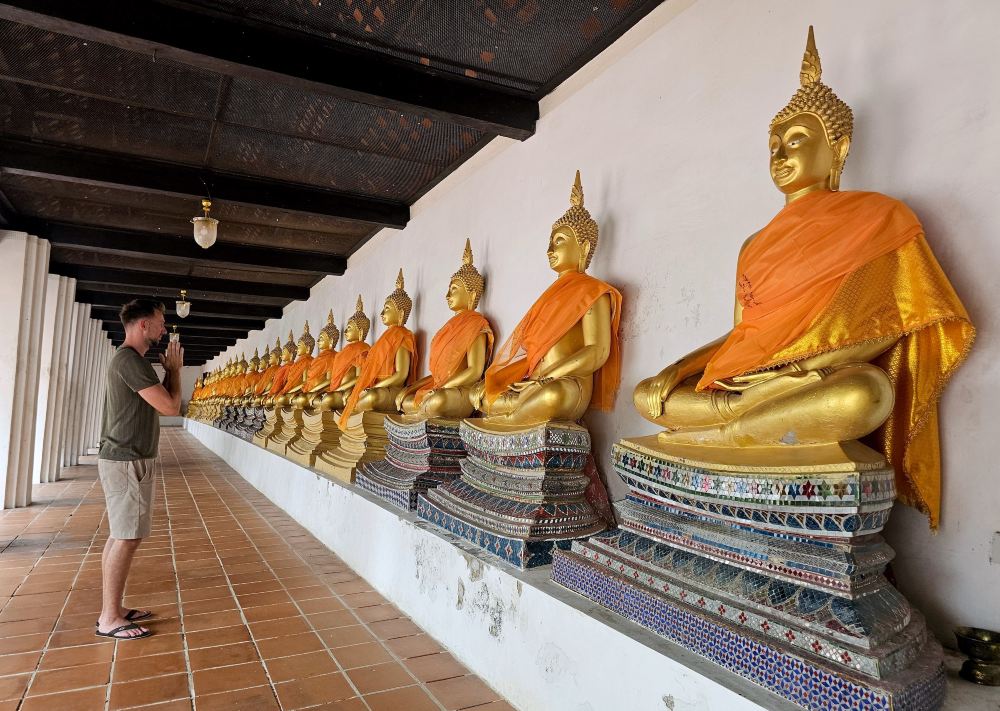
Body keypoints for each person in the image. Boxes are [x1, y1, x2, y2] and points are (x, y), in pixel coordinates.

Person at [96, 299, 183, 640]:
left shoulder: (131, 361)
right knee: (127, 537)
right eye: (160, 322)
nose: (164, 329)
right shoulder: (130, 361)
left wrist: (169, 372)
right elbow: (171, 407)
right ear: (144, 324)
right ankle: (109, 618)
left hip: (125, 457)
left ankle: (113, 609)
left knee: (121, 535)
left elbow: (163, 404)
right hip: (127, 459)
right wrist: (175, 370)